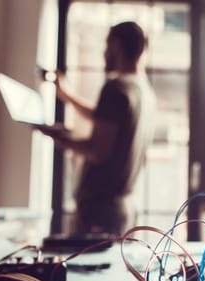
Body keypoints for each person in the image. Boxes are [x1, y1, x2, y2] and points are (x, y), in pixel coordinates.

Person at [38, 21, 156, 236]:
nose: (104, 53)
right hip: (123, 206)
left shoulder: (115, 88)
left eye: (106, 45)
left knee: (86, 269)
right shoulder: (142, 90)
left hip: (100, 210)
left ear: (117, 45)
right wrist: (66, 95)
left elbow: (98, 151)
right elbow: (104, 116)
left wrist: (56, 135)